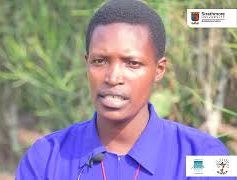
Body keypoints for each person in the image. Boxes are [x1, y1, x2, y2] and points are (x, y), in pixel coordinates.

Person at [15, 0, 233, 179]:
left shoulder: (203, 155)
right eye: (100, 61)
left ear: (159, 70)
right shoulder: (46, 158)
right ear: (87, 63)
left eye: (132, 63)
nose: (113, 78)